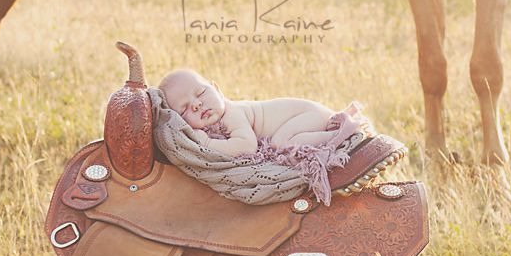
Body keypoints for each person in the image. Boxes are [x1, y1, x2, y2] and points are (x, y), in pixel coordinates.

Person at [158, 68, 369, 157]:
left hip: (309, 115)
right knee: (282, 141)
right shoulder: (216, 121)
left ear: (218, 90)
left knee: (280, 144)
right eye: (185, 108)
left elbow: (247, 146)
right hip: (303, 117)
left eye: (201, 93)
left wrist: (207, 144)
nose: (196, 105)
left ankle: (343, 134)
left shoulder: (232, 114)